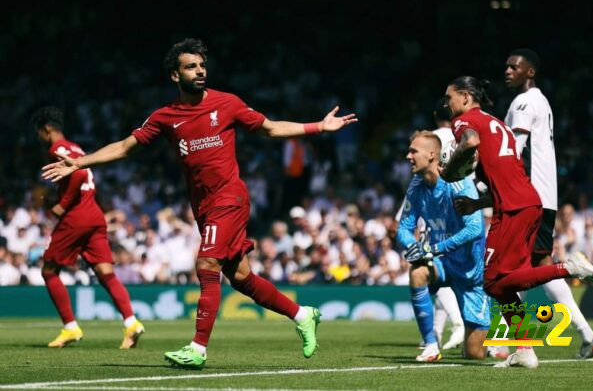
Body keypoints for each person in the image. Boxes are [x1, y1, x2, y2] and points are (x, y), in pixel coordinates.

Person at [42, 38, 357, 369]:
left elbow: (270, 128)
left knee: (207, 264)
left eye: (202, 65)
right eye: (191, 66)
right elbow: (125, 146)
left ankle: (197, 348)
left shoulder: (227, 103)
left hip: (230, 198)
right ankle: (302, 314)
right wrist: (80, 162)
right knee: (241, 277)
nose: (200, 71)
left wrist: (318, 126)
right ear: (175, 76)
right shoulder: (166, 117)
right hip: (203, 207)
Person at [441, 76, 593, 368]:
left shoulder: (464, 122)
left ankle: (568, 267)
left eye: (450, 97)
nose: (447, 103)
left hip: (514, 209)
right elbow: (504, 176)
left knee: (493, 281)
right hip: (528, 202)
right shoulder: (498, 125)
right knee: (506, 283)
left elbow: (470, 142)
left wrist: (450, 170)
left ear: (466, 98)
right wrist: (476, 203)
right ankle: (525, 350)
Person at [504, 48, 593, 358]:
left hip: (526, 196)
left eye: (514, 67)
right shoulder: (542, 101)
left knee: (505, 270)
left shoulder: (522, 103)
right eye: (506, 67)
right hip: (544, 196)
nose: (507, 71)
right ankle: (588, 336)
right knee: (538, 265)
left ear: (530, 72)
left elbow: (515, 152)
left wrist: (490, 189)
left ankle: (516, 343)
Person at [31, 107, 144, 349]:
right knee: (105, 273)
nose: (39, 138)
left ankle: (70, 327)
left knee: (49, 271)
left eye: (39, 133)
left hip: (77, 216)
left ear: (47, 129)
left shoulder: (57, 148)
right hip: (93, 213)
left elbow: (79, 176)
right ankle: (132, 323)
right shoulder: (76, 148)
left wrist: (62, 205)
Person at [397, 130, 490, 362]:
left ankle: (492, 340)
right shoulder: (416, 185)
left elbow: (474, 229)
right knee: (418, 272)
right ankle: (430, 345)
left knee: (475, 354)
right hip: (441, 262)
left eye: (413, 151)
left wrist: (434, 249)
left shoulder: (458, 183)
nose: (408, 156)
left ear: (431, 155)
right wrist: (413, 246)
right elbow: (403, 228)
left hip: (471, 269)